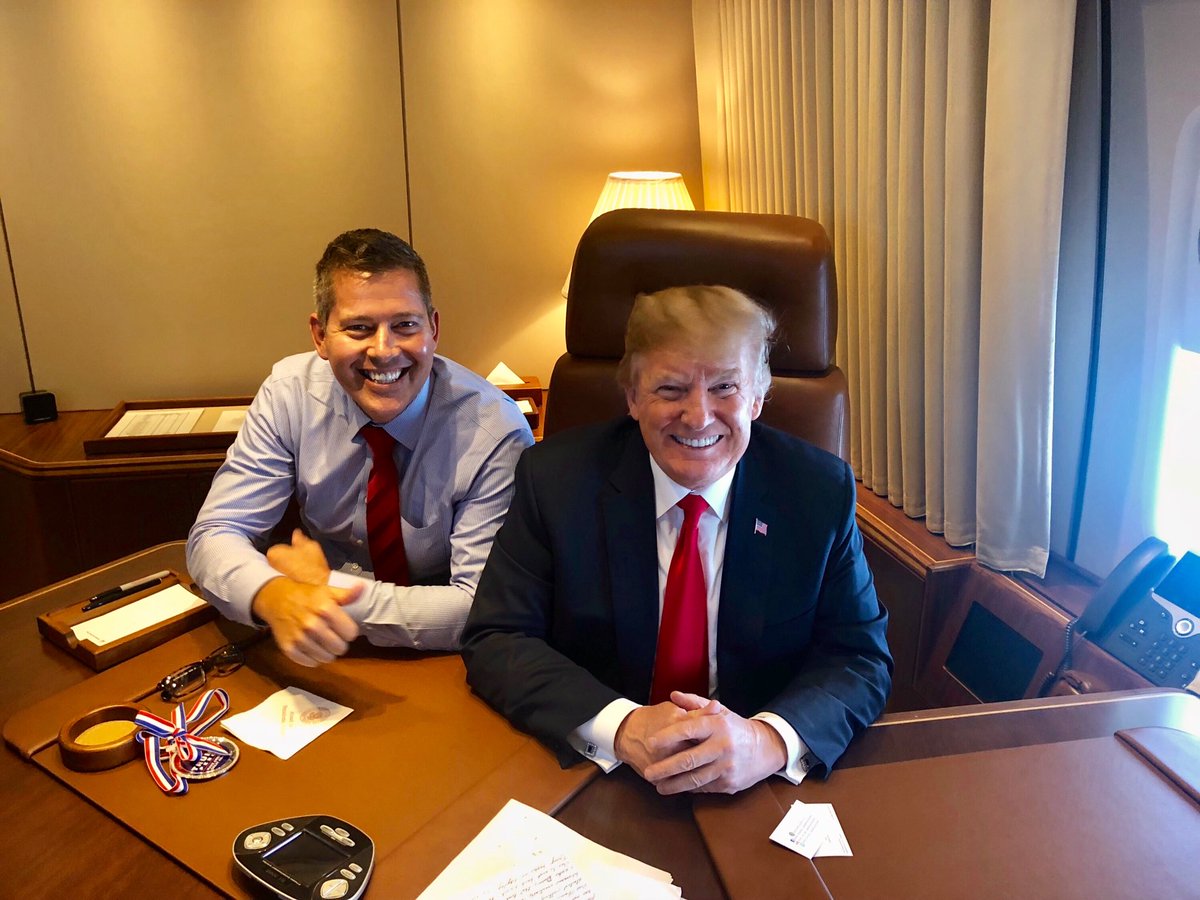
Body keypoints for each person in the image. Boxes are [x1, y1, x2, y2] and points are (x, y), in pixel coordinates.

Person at [461, 285, 891, 795]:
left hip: (755, 783)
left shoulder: (817, 492)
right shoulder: (555, 480)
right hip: (598, 771)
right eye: (671, 389)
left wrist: (768, 740)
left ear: (757, 395)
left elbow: (859, 657)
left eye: (725, 387)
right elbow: (498, 637)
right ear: (632, 396)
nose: (699, 416)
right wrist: (620, 726)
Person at [188, 228, 533, 667]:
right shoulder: (288, 395)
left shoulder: (494, 431)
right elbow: (216, 532)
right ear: (319, 335)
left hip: (441, 657)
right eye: (359, 328)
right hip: (312, 644)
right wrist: (269, 593)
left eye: (405, 325)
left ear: (433, 328)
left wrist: (328, 593)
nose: (384, 351)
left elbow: (479, 607)